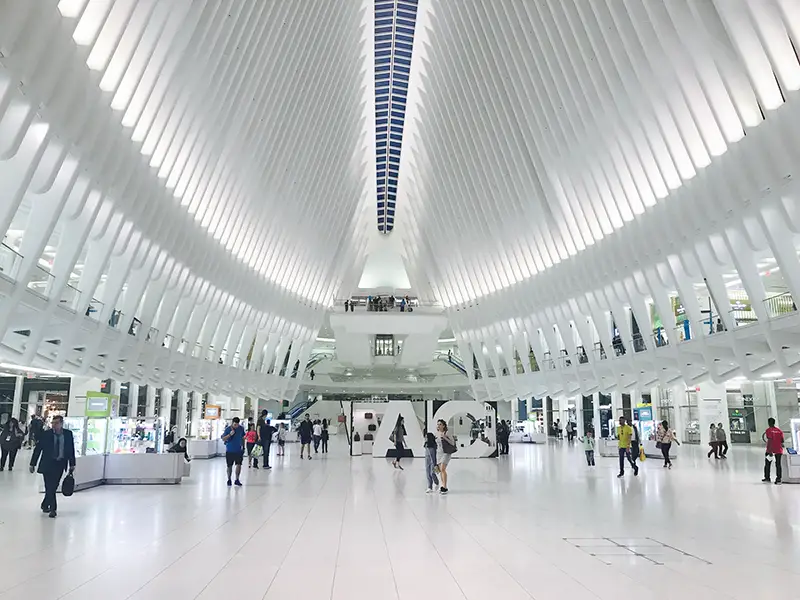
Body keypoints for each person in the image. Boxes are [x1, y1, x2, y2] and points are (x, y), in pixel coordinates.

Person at [29, 415, 76, 518]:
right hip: (48, 464)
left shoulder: (68, 434)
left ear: (61, 424)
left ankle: (45, 504)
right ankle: (53, 509)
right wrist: (33, 463)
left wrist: (72, 464)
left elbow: (71, 449)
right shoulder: (46, 434)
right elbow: (38, 449)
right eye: (53, 423)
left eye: (56, 423)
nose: (54, 425)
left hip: (60, 464)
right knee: (49, 486)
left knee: (53, 486)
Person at [221, 417, 245, 487]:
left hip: (238, 450)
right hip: (230, 450)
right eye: (235, 425)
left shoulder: (241, 428)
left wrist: (243, 446)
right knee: (229, 466)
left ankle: (237, 479)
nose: (236, 426)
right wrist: (230, 434)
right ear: (232, 423)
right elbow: (223, 438)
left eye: (237, 425)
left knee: (239, 464)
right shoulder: (228, 429)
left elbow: (243, 437)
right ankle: (229, 479)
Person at [436, 419, 456, 494]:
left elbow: (452, 443)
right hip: (439, 453)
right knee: (440, 470)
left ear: (443, 426)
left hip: (446, 452)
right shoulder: (436, 434)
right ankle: (443, 485)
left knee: (443, 468)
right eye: (438, 424)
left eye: (440, 424)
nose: (438, 426)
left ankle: (444, 486)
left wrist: (444, 437)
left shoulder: (447, 433)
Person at [763, 418, 784, 485]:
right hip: (779, 450)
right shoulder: (779, 431)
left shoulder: (768, 430)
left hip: (771, 450)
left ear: (769, 423)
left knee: (767, 464)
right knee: (778, 465)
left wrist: (770, 451)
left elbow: (770, 440)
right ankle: (778, 479)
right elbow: (782, 441)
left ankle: (767, 478)